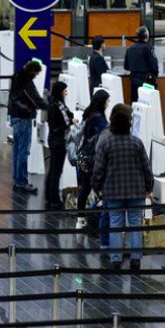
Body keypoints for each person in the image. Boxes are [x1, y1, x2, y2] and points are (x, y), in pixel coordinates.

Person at [91, 103, 155, 270]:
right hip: (136, 191)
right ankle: (136, 259)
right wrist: (149, 187)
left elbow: (99, 169)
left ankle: (116, 259)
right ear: (128, 124)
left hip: (113, 192)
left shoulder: (106, 143)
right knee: (135, 225)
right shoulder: (136, 143)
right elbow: (146, 168)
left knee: (115, 225)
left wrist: (96, 187)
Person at [7, 60, 45, 194]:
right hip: (23, 118)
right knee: (24, 152)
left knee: (17, 150)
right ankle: (22, 182)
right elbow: (36, 99)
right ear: (33, 71)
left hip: (15, 116)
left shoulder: (17, 75)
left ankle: (17, 179)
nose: (36, 76)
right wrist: (50, 106)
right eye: (36, 73)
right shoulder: (26, 80)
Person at [74, 89, 110, 230]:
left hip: (83, 157)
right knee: (97, 188)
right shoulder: (99, 119)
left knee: (85, 188)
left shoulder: (88, 114)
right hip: (93, 159)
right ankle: (101, 220)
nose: (108, 104)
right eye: (107, 101)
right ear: (102, 102)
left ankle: (80, 219)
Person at [44, 80, 74, 210]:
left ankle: (50, 196)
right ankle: (55, 200)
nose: (66, 93)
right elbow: (59, 124)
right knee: (56, 171)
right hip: (58, 141)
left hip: (54, 140)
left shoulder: (55, 103)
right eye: (65, 91)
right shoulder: (56, 106)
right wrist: (70, 123)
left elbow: (68, 114)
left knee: (53, 171)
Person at [124, 26, 158, 102]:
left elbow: (126, 66)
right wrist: (154, 76)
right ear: (147, 36)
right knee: (148, 104)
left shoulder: (130, 49)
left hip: (134, 80)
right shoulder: (148, 49)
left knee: (135, 104)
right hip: (146, 81)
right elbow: (154, 66)